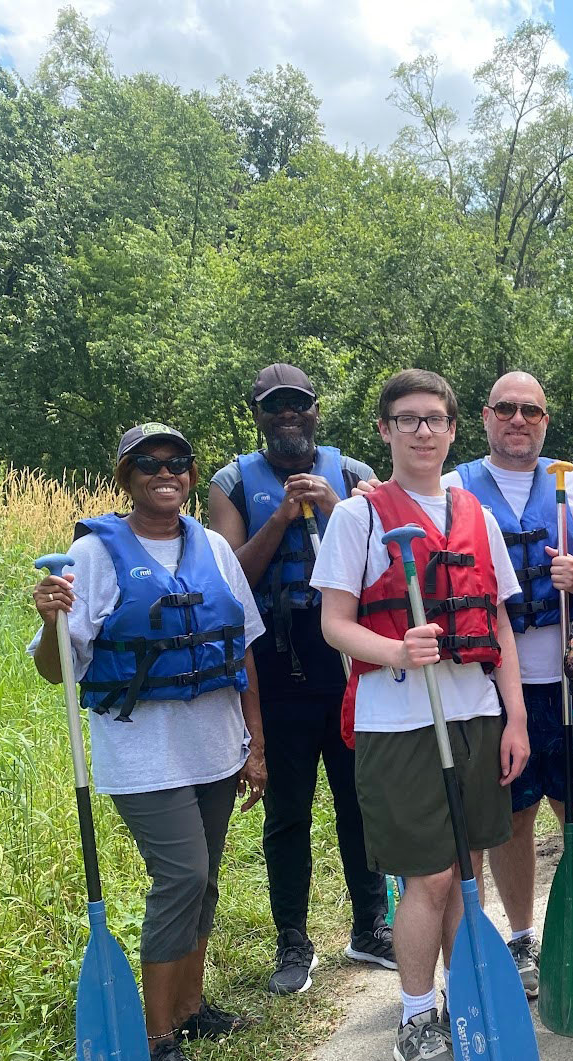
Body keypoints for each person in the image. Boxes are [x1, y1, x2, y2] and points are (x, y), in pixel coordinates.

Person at [30, 422, 267, 1061]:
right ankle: (155, 1037)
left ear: (192, 473)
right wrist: (49, 620)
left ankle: (190, 1009)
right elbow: (57, 671)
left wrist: (258, 745)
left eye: (178, 462)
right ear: (126, 477)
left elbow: (242, 647)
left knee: (206, 880)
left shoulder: (214, 546)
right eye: (147, 464)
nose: (165, 473)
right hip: (142, 755)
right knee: (182, 877)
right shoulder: (96, 555)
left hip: (216, 749)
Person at [311, 370, 529, 1061]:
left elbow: (495, 619)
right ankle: (414, 1018)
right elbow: (334, 622)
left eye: (435, 419)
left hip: (473, 714)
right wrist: (397, 650)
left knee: (468, 869)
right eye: (407, 420)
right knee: (430, 875)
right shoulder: (358, 517)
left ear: (452, 429)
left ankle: (465, 995)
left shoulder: (475, 512)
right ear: (384, 430)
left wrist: (515, 716)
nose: (423, 432)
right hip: (398, 719)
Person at [209, 364, 391, 998]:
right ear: (257, 415)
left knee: (358, 800)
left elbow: (385, 565)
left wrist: (337, 510)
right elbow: (230, 580)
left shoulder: (355, 477)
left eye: (298, 406)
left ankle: (371, 927)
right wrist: (283, 517)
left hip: (345, 659)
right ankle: (293, 940)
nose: (288, 416)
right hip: (278, 666)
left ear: (317, 411)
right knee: (286, 813)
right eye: (274, 408)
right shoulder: (231, 484)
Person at [445, 371, 573, 995]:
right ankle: (523, 937)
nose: (519, 419)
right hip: (492, 686)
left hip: (570, 676)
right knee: (514, 815)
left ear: (545, 420)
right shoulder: (452, 491)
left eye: (531, 410)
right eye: (506, 409)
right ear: (486, 416)